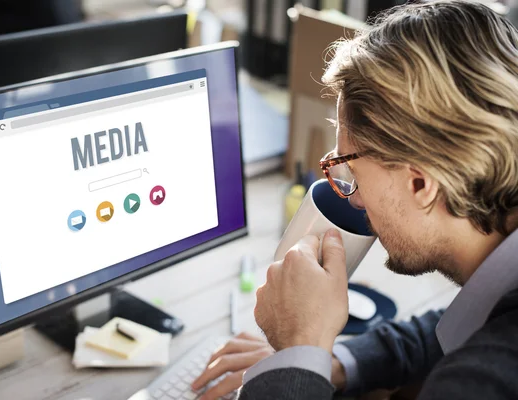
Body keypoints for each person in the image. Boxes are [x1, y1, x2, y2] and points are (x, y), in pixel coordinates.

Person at [191, 0, 518, 398]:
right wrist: (328, 362)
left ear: (421, 184)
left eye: (351, 171)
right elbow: (456, 326)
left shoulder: (484, 383)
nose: (355, 199)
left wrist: (299, 347)